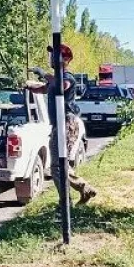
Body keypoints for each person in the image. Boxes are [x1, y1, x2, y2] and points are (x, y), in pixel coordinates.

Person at [26, 44, 97, 205]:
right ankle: (83, 188)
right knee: (59, 165)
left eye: (55, 55)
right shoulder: (57, 79)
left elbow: (60, 86)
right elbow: (45, 88)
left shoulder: (68, 77)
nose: (51, 58)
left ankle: (65, 203)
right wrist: (29, 87)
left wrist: (44, 74)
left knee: (57, 167)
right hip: (59, 124)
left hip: (67, 123)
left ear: (65, 59)